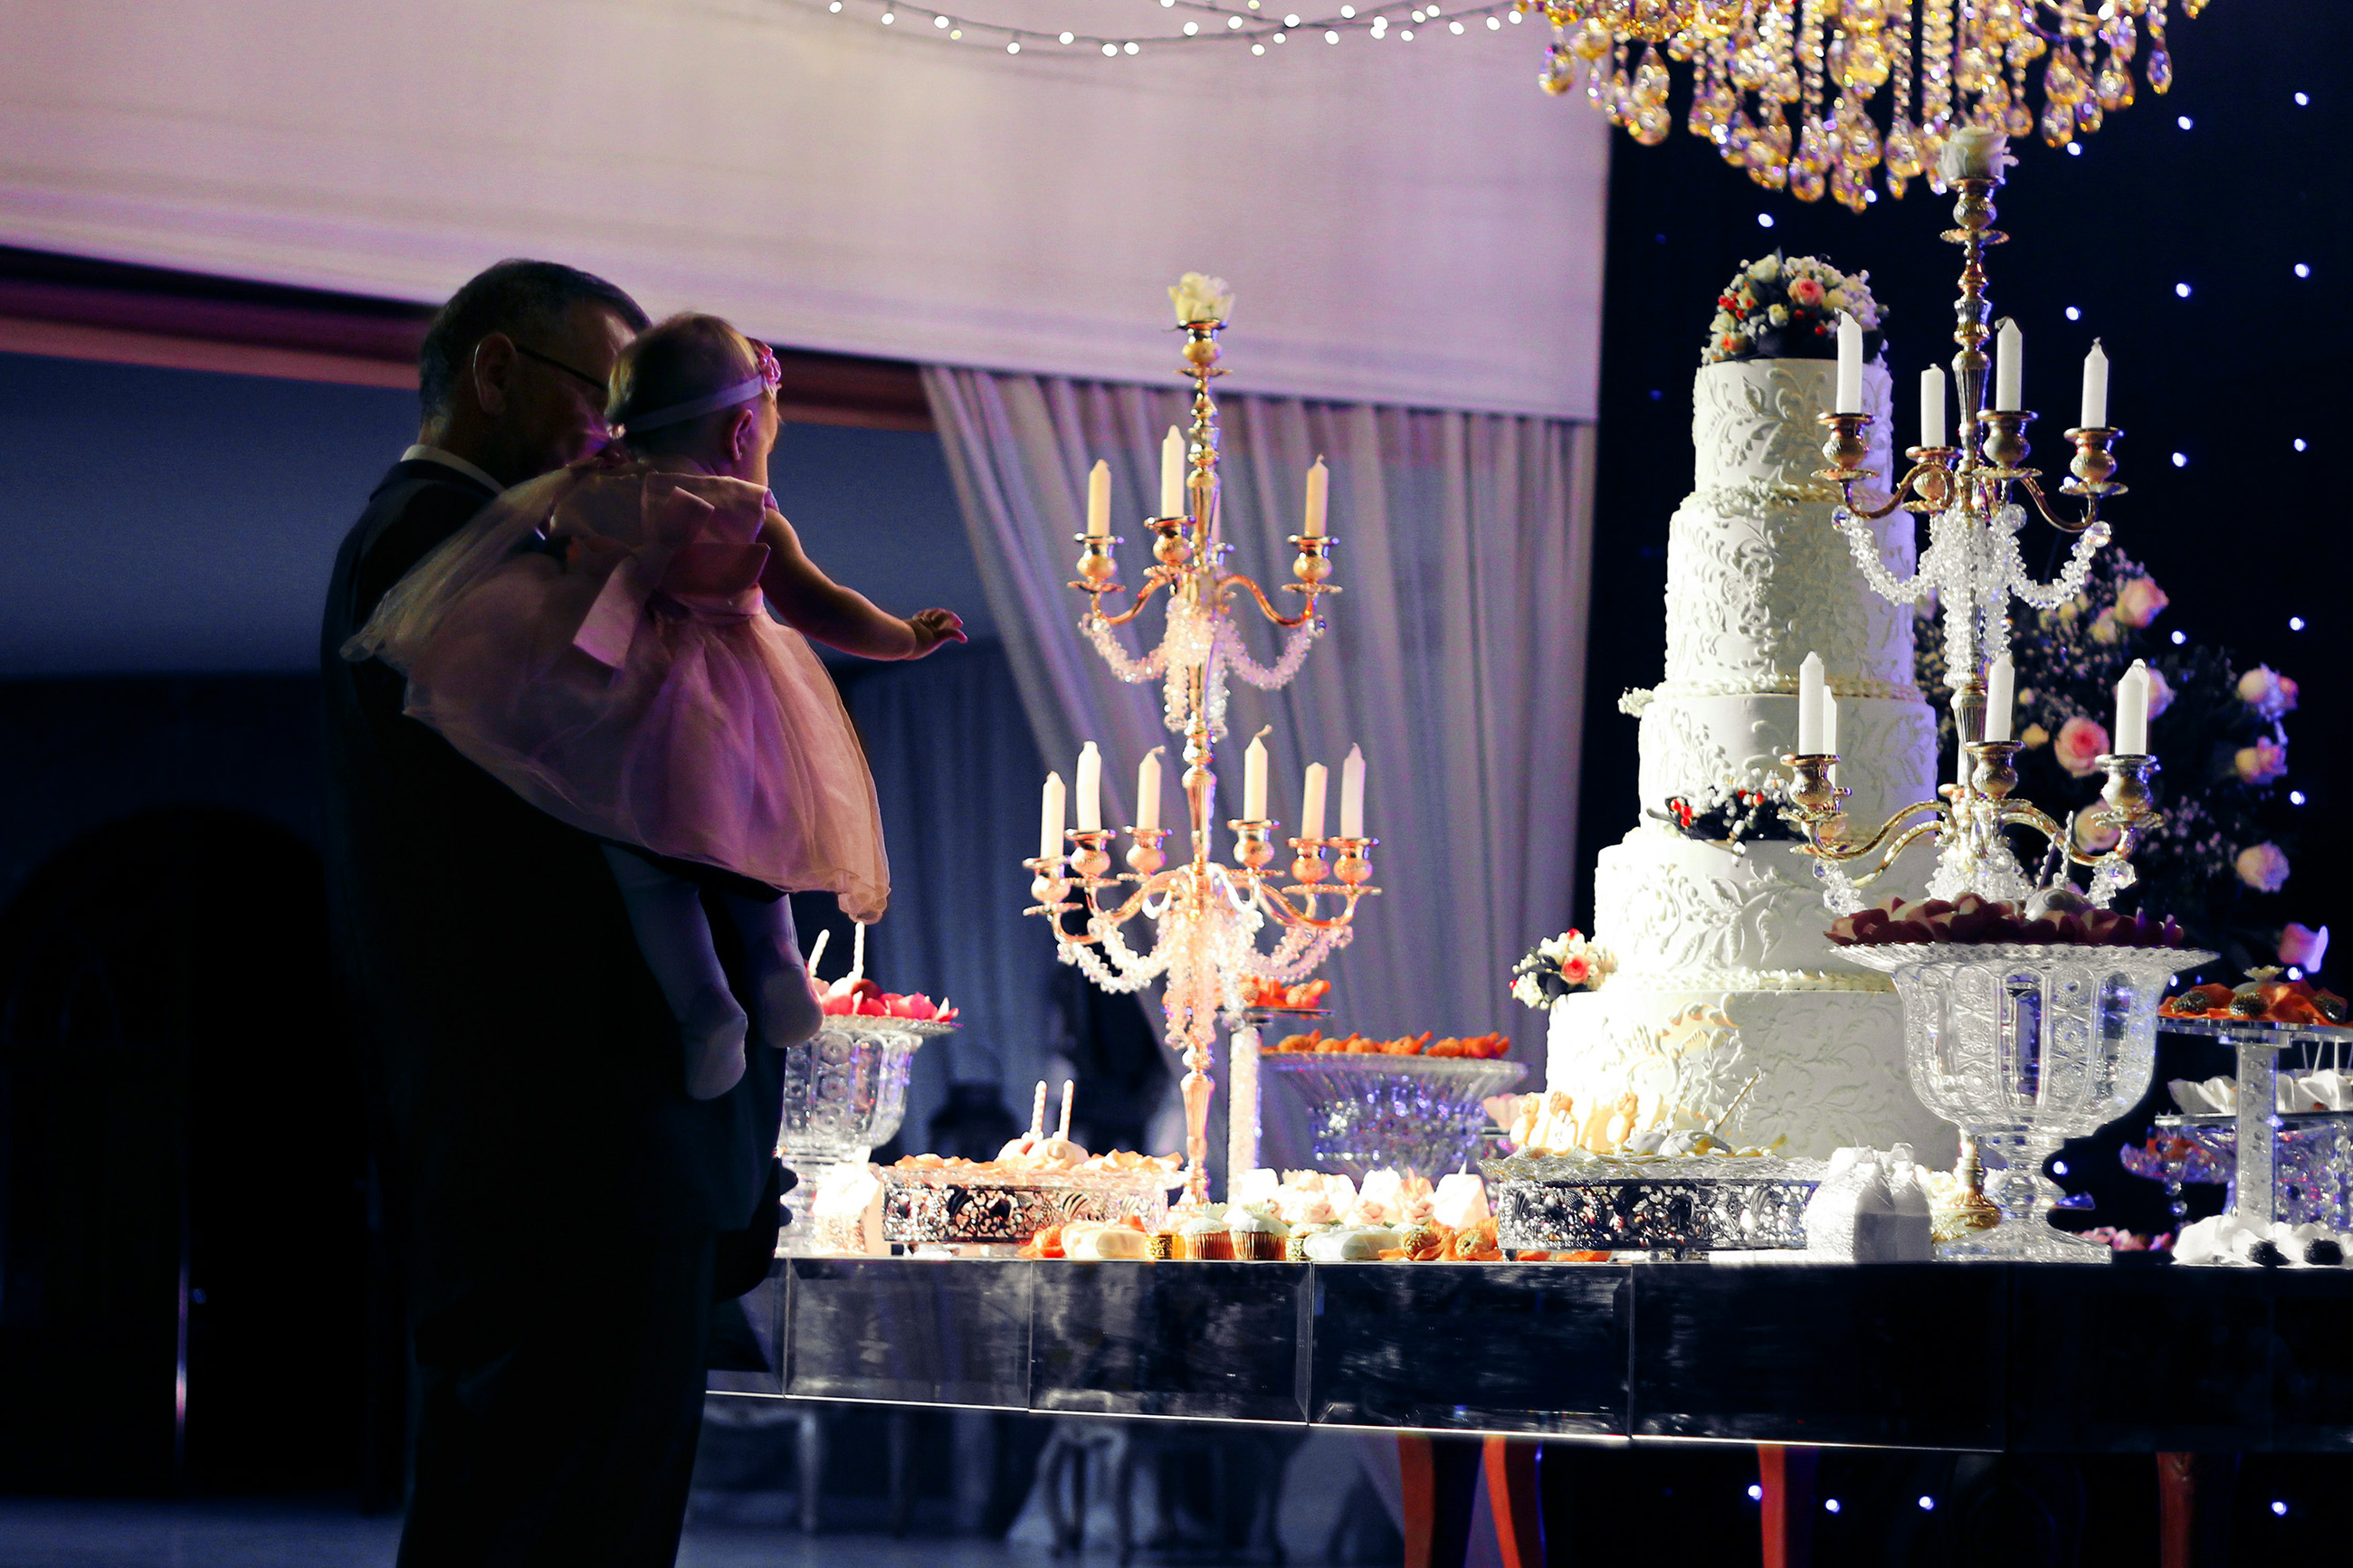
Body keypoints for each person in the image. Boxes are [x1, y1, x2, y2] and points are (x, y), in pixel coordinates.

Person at [320, 262, 776, 1568]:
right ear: (498, 371)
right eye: (604, 394)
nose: (620, 432)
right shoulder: (433, 541)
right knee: (555, 1525)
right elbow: (627, 778)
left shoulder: (478, 540)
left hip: (568, 1155)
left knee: (561, 1518)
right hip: (577, 1152)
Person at [344, 312, 966, 1101]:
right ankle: (777, 969)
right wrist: (907, 638)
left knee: (642, 865)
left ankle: (705, 1007)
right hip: (733, 710)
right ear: (744, 430)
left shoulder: (585, 495)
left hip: (625, 709)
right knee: (754, 838)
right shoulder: (748, 514)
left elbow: (572, 582)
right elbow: (825, 608)